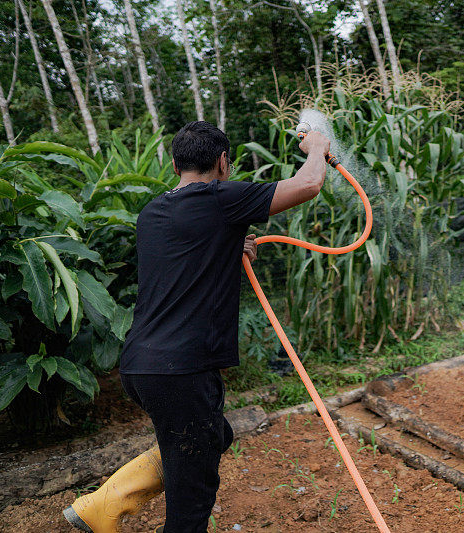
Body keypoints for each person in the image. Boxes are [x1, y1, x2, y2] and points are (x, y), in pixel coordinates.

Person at [63, 120, 331, 533]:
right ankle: (105, 505)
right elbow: (309, 184)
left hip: (141, 365)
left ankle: (105, 503)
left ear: (174, 164)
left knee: (211, 437)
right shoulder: (220, 198)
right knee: (192, 502)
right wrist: (316, 145)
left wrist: (228, 244)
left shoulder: (152, 212)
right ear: (223, 162)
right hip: (181, 371)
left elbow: (184, 258)